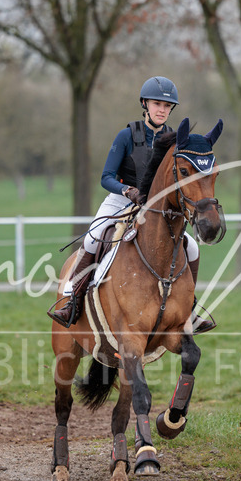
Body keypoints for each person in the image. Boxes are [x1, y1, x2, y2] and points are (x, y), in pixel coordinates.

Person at [48, 76, 214, 333]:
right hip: (121, 199)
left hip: (156, 206)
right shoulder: (126, 135)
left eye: (168, 106)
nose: (162, 110)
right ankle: (72, 300)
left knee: (191, 246)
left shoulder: (175, 141)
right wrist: (127, 190)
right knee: (94, 238)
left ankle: (189, 307)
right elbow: (106, 177)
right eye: (157, 104)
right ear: (145, 104)